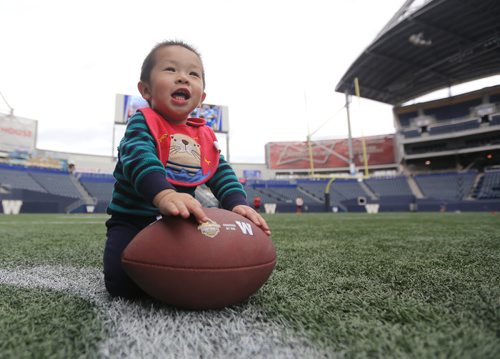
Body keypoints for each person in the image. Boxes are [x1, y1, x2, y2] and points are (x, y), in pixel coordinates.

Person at [103, 40, 271, 299]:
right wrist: (165, 194)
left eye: (193, 74)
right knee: (122, 284)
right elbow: (139, 159)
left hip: (179, 222)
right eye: (170, 70)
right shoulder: (142, 122)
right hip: (133, 220)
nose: (183, 77)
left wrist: (237, 203)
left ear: (201, 97)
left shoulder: (202, 134)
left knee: (202, 270)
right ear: (145, 89)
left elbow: (220, 170)